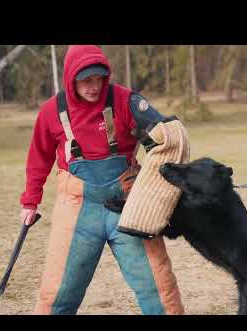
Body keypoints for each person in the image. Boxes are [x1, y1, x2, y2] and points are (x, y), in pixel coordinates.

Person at [19, 45, 184, 315]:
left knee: (158, 286)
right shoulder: (52, 111)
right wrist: (30, 201)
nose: (94, 86)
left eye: (99, 79)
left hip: (129, 205)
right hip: (76, 208)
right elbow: (39, 157)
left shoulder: (127, 101)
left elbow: (164, 139)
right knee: (57, 292)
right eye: (86, 80)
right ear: (71, 78)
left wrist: (159, 182)